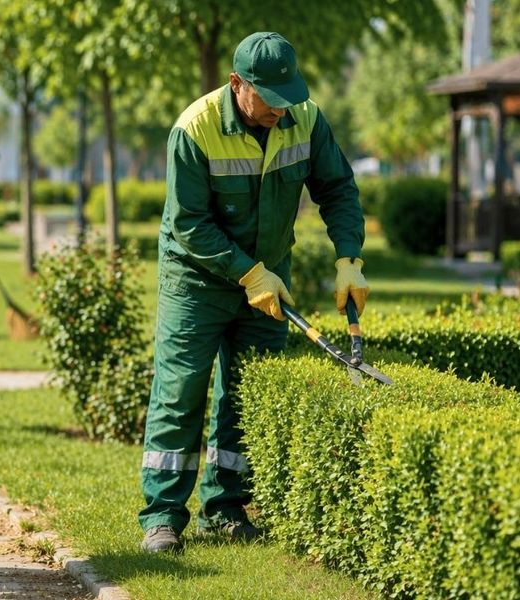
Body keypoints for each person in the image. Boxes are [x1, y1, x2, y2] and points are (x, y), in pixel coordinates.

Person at [139, 32, 369, 553]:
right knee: (180, 394)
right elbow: (189, 224)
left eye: (288, 94)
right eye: (269, 97)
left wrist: (349, 258)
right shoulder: (194, 129)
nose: (280, 108)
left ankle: (224, 508)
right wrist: (247, 273)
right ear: (236, 84)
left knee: (246, 393)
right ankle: (162, 517)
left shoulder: (305, 117)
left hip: (268, 279)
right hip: (196, 280)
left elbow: (337, 189)